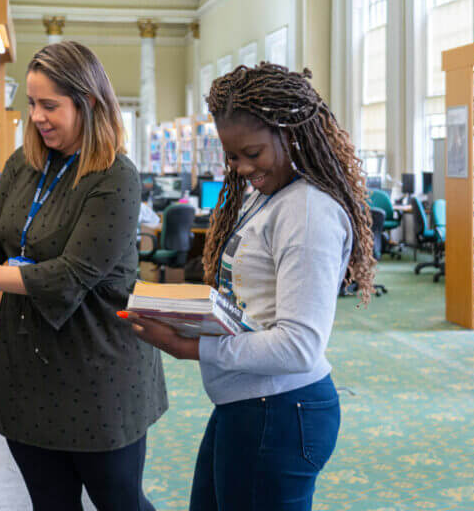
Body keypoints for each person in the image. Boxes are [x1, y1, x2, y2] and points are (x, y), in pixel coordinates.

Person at [0, 41, 167, 511]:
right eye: (31, 103)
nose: (36, 116)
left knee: (120, 502)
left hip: (98, 375)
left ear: (88, 102)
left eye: (50, 105)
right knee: (50, 504)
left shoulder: (116, 177)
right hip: (28, 372)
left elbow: (70, 276)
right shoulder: (24, 163)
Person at [123, 62, 375, 511]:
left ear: (291, 133)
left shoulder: (308, 211)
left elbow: (300, 346)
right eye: (232, 156)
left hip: (280, 409)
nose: (240, 169)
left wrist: (191, 348)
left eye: (252, 154)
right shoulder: (271, 194)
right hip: (248, 402)